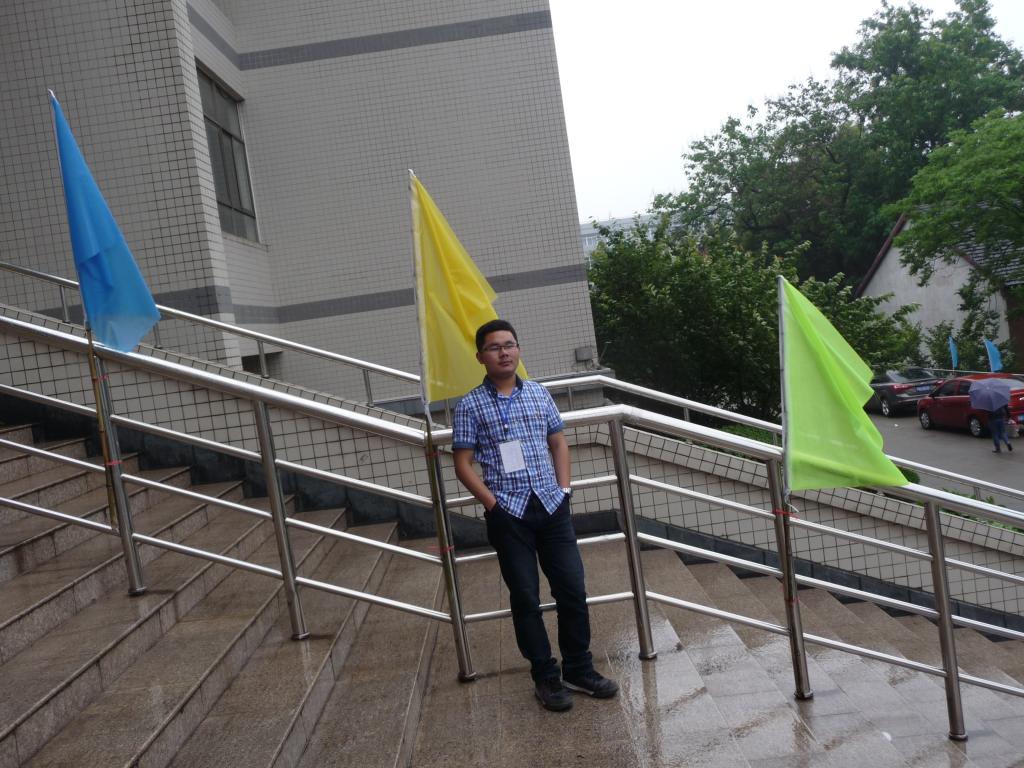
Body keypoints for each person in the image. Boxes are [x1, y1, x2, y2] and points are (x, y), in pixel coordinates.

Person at [452, 319, 619, 712]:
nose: (504, 352)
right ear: (480, 357)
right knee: (526, 596)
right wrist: (493, 506)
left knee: (572, 589)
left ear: (518, 350)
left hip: (551, 506)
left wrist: (563, 490)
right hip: (508, 514)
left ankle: (579, 668)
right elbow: (463, 464)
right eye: (494, 347)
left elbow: (558, 443)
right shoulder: (470, 405)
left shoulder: (539, 394)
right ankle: (545, 676)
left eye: (509, 345)